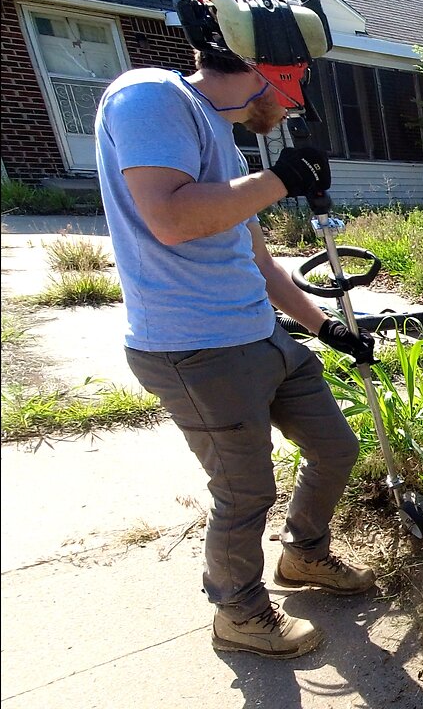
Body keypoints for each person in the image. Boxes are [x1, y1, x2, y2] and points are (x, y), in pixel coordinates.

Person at [94, 45, 377, 659]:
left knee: (335, 446)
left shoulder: (220, 132)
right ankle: (239, 613)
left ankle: (303, 555)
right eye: (294, 88)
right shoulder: (151, 96)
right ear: (262, 70)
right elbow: (169, 217)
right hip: (195, 347)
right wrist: (282, 180)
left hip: (259, 333)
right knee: (246, 490)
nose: (294, 107)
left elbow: (257, 257)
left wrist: (324, 328)